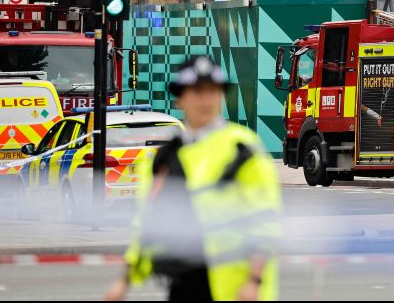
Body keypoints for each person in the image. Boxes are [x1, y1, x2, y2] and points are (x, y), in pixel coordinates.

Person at [105, 56, 282, 301]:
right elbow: (147, 223)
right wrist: (123, 282)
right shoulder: (165, 157)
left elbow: (265, 218)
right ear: (180, 98)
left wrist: (254, 280)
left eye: (213, 91)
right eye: (197, 92)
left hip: (234, 288)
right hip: (183, 282)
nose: (206, 100)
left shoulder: (242, 148)